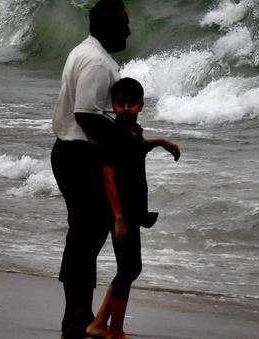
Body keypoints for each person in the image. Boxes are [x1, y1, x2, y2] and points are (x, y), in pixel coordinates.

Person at [51, 0, 131, 339]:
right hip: (80, 156)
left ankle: (76, 314)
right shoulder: (98, 63)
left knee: (83, 238)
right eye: (124, 22)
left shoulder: (83, 51)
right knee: (86, 239)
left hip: (69, 153)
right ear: (108, 26)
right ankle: (77, 317)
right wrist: (125, 139)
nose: (129, 29)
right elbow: (86, 115)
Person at [86, 78, 180, 339]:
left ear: (141, 105)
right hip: (121, 211)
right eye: (120, 104)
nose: (125, 108)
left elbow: (137, 149)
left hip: (132, 209)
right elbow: (108, 176)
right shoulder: (113, 135)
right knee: (128, 268)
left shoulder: (133, 132)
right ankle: (114, 331)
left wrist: (161, 142)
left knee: (130, 268)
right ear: (113, 106)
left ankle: (100, 324)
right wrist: (117, 217)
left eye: (131, 103)